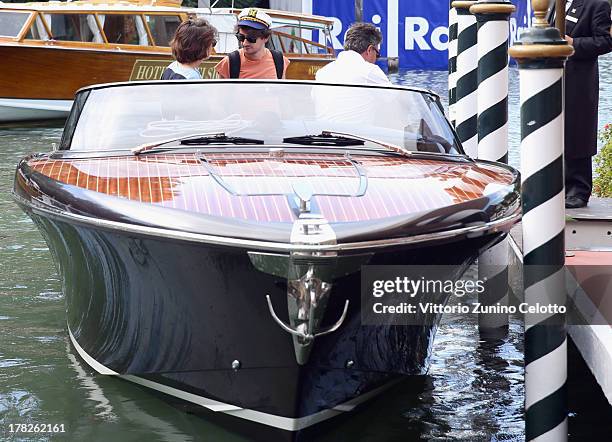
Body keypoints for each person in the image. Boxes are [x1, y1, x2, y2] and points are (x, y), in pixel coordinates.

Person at [549, 0, 612, 208]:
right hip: (550, 79)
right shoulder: (553, 4)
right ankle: (553, 187)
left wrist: (573, 43)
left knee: (578, 132)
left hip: (579, 81)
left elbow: (605, 41)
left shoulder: (597, 4)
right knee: (552, 132)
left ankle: (578, 190)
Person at [215, 8, 289, 79]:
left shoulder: (279, 60)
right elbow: (222, 91)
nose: (244, 43)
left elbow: (281, 91)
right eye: (241, 37)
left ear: (265, 37)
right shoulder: (229, 62)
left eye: (251, 38)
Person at [315, 22, 390, 84]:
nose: (376, 59)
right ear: (369, 50)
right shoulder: (371, 71)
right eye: (377, 55)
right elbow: (395, 99)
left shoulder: (322, 73)